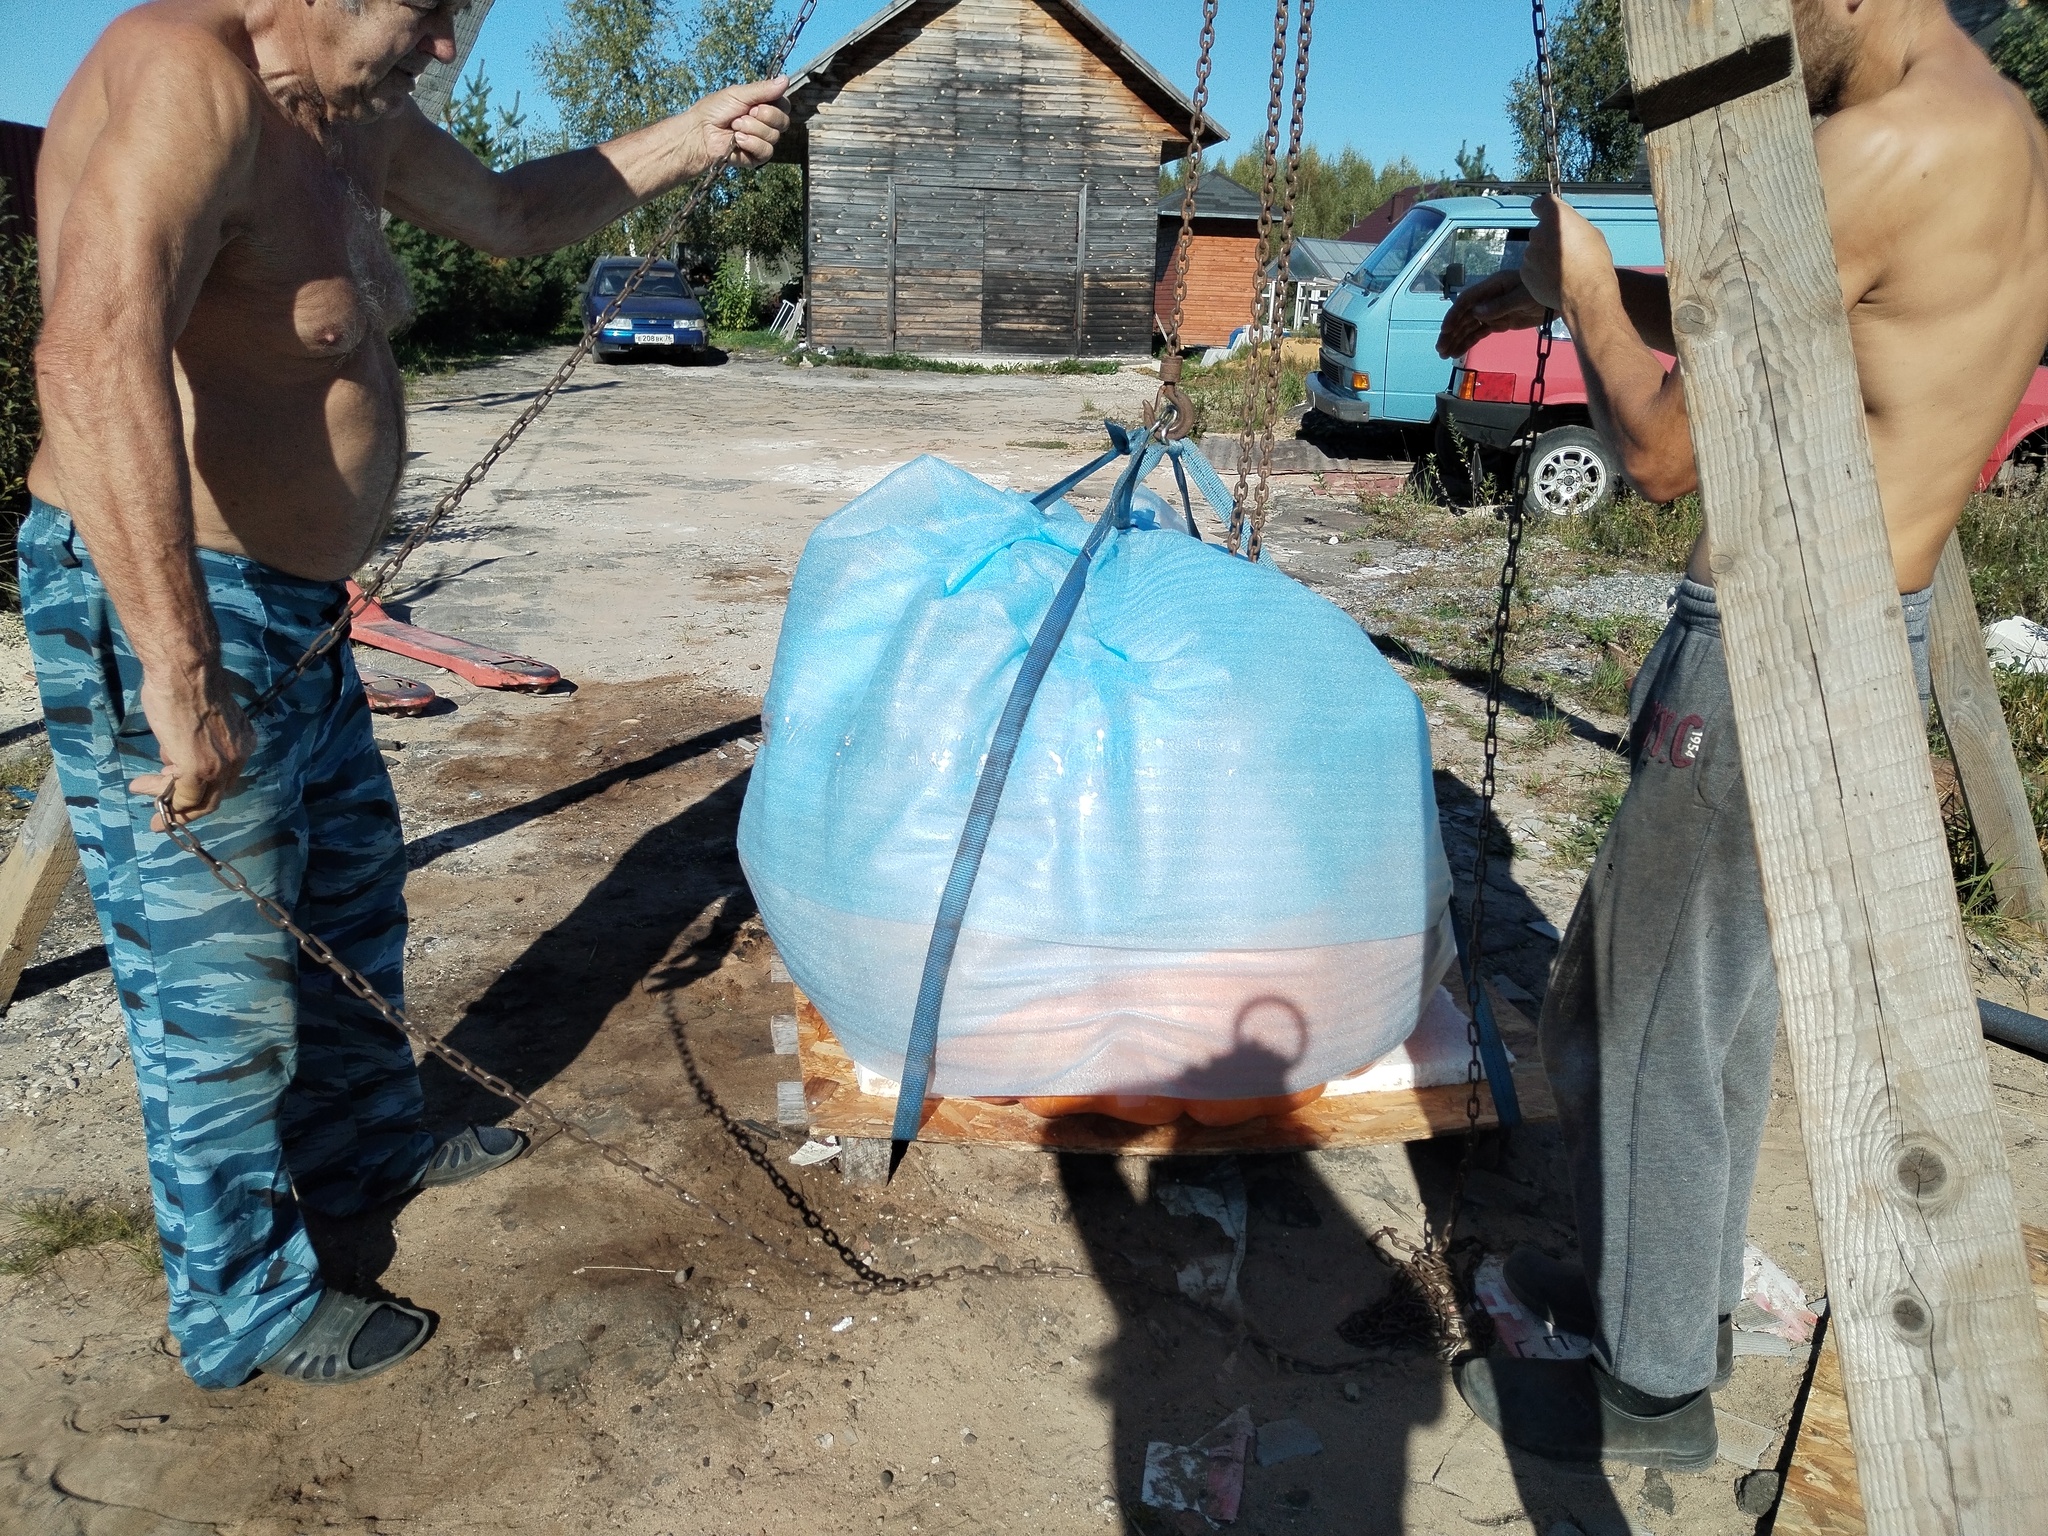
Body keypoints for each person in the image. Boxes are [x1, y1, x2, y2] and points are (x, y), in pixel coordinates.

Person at [25, 0, 786, 1390]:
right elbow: (89, 357)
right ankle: (239, 1307)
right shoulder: (184, 79)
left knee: (352, 902)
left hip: (297, 605)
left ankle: (365, 1144)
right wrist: (178, 666)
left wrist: (692, 137)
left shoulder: (346, 112)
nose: (447, 46)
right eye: (429, 9)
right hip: (172, 594)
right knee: (219, 985)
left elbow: (504, 210)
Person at [1436, 0, 2048, 1468]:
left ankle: (1646, 1391)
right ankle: (1669, 1297)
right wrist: (1558, 297)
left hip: (1773, 640)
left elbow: (1655, 457)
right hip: (1857, 630)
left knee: (1637, 1014)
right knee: (1701, 1008)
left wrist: (1581, 283)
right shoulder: (1998, 129)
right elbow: (1795, 316)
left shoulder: (1870, 145)